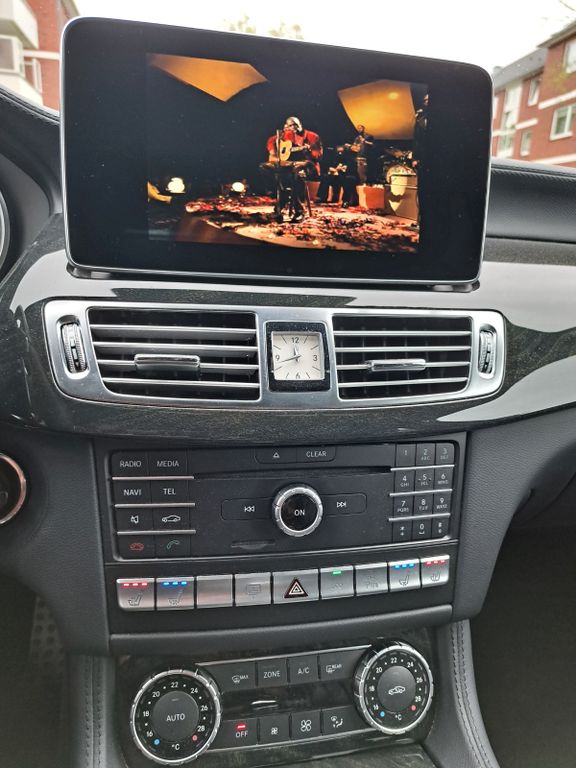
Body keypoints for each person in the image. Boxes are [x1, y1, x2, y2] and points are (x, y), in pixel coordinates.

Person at [264, 116, 323, 221]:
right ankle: (280, 207)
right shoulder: (280, 138)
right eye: (290, 125)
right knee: (268, 169)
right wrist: (278, 155)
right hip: (287, 166)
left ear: (300, 125)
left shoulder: (312, 136)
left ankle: (299, 211)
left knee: (297, 173)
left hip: (306, 165)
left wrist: (308, 152)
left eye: (296, 125)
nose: (293, 128)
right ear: (285, 127)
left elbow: (317, 156)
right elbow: (272, 151)